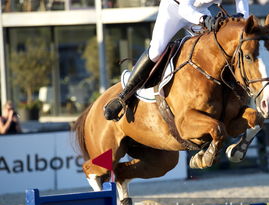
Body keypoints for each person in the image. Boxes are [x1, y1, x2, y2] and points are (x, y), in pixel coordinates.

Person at [103, 0, 249, 121]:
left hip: (200, 11)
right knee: (156, 51)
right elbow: (185, 9)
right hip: (174, 8)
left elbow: (243, 9)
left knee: (217, 46)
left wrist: (239, 18)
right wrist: (205, 19)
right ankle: (123, 96)